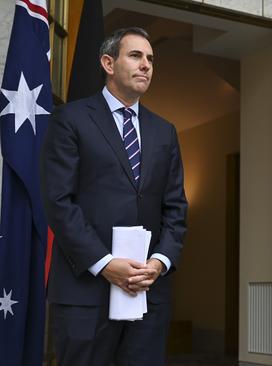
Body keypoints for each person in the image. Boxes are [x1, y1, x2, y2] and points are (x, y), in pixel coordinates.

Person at [40, 27, 188, 365]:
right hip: (84, 293)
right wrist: (105, 264)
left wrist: (159, 263)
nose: (146, 65)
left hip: (147, 293)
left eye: (151, 58)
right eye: (136, 56)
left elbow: (176, 207)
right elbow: (59, 202)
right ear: (108, 62)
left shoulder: (164, 131)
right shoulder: (70, 119)